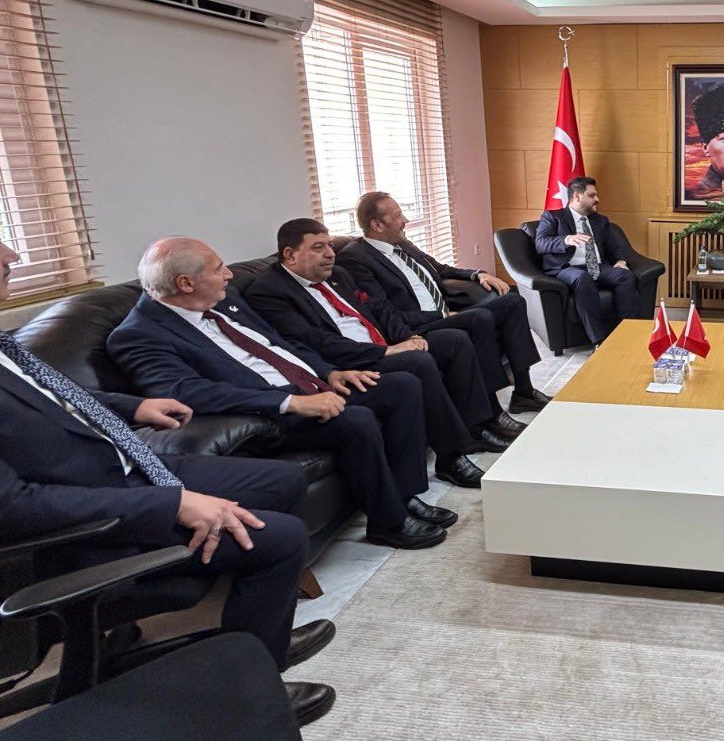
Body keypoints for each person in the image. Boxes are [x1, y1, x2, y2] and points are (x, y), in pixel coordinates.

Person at [0, 183, 333, 722]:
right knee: (281, 537)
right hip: (58, 534)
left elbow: (43, 396)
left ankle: (254, 634)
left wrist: (134, 405)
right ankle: (245, 697)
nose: (13, 255)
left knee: (281, 482)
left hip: (114, 470)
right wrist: (172, 504)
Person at [108, 237, 450, 550]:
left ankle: (405, 495)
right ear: (186, 283)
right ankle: (388, 522)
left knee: (401, 385)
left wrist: (329, 372)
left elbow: (280, 343)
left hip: (309, 385)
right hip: (265, 413)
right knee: (355, 419)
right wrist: (290, 402)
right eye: (218, 269)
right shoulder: (138, 335)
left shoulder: (223, 301)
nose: (228, 275)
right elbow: (187, 392)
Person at [245, 218, 511, 488]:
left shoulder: (338, 274)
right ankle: (451, 457)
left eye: (329, 245)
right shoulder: (269, 292)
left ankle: (478, 425)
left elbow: (378, 309)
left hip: (381, 345)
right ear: (290, 255)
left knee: (453, 340)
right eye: (318, 248)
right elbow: (314, 341)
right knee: (418, 362)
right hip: (348, 362)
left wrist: (407, 336)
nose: (330, 254)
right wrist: (386, 351)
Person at [336, 191, 551, 414]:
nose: (405, 221)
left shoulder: (402, 244)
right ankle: (491, 410)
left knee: (512, 301)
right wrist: (440, 316)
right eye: (398, 215)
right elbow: (384, 311)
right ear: (377, 225)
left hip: (445, 311)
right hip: (419, 325)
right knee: (480, 317)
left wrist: (477, 274)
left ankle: (524, 393)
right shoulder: (356, 258)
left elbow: (440, 269)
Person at [534, 176, 641, 345]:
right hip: (567, 268)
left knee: (625, 276)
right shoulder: (553, 217)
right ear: (577, 196)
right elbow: (540, 243)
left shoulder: (600, 221)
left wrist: (621, 261)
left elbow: (615, 246)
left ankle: (626, 335)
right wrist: (567, 239)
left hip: (597, 266)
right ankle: (599, 340)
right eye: (592, 196)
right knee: (582, 278)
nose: (597, 199)